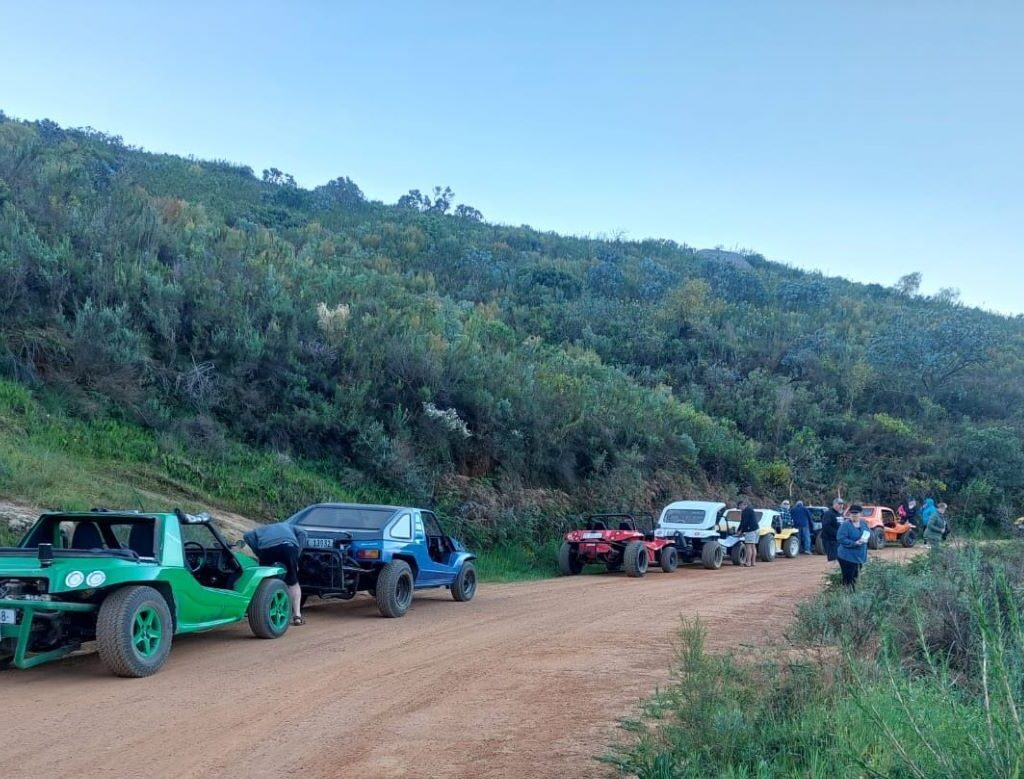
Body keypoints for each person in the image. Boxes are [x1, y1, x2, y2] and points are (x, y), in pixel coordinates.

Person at [243, 521, 308, 625]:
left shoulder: (261, 529)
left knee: (265, 581)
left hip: (267, 549)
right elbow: (304, 534)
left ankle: (264, 611)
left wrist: (258, 552)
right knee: (293, 582)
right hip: (288, 547)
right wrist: (297, 553)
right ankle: (297, 616)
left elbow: (247, 536)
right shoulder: (288, 526)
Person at [837, 504, 870, 590]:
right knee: (848, 579)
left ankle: (852, 596)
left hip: (860, 556)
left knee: (855, 577)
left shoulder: (863, 523)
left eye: (856, 513)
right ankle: (846, 596)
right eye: (852, 513)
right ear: (849, 514)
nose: (854, 515)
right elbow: (840, 538)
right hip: (846, 557)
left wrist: (866, 539)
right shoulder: (845, 525)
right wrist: (854, 543)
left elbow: (868, 533)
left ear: (860, 514)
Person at [821, 497, 845, 562]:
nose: (841, 506)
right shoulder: (828, 513)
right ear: (834, 504)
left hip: (838, 540)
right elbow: (826, 526)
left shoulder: (839, 514)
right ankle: (832, 570)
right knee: (833, 559)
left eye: (842, 504)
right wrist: (837, 534)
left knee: (839, 558)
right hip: (830, 540)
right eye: (839, 504)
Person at [737, 500, 760, 567]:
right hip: (756, 529)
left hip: (750, 530)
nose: (740, 508)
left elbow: (744, 522)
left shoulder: (745, 511)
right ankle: (753, 562)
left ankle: (748, 562)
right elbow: (743, 522)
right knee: (753, 546)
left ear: (743, 505)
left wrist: (740, 531)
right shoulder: (750, 510)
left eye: (740, 506)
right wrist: (740, 530)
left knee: (748, 546)